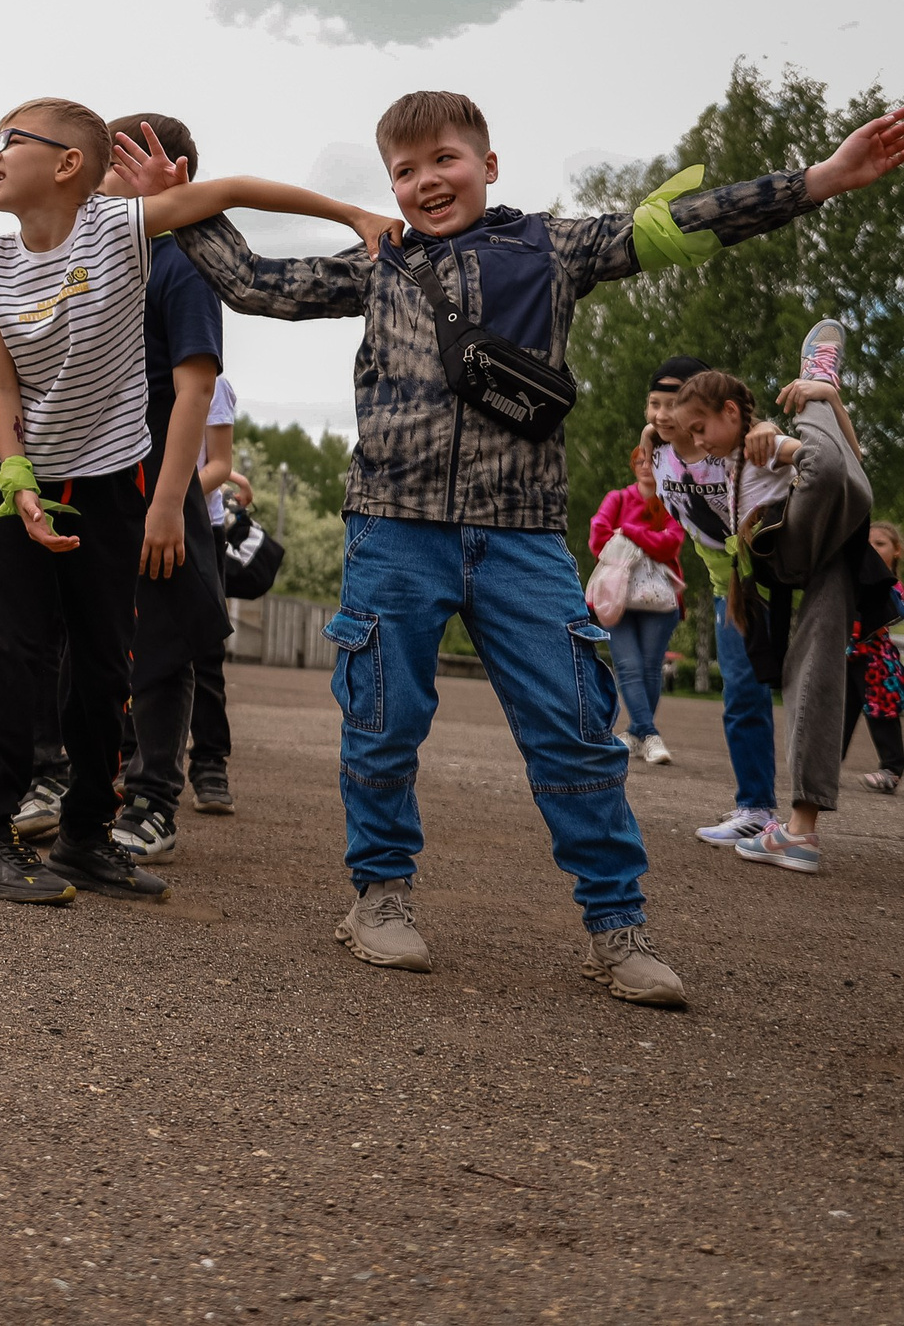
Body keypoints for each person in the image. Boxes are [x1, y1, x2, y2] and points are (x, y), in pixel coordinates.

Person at [168, 89, 904, 1003]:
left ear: (489, 163)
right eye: (404, 170)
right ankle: (380, 897)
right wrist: (183, 194)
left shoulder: (554, 246)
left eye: (445, 158)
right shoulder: (381, 266)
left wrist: (822, 179)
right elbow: (252, 283)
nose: (426, 181)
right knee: (383, 720)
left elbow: (676, 223)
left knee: (578, 731)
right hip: (394, 528)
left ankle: (615, 923)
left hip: (521, 537)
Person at [0, 101, 391, 906]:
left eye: (10, 141)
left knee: (104, 660)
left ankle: (86, 836)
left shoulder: (120, 231)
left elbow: (234, 190)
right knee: (10, 653)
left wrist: (352, 212)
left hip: (113, 477)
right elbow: (1, 385)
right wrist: (16, 480)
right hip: (17, 482)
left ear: (69, 165)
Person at [672, 346, 885, 878]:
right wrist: (806, 417)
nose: (696, 441)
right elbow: (838, 471)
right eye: (690, 433)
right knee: (829, 462)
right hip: (789, 553)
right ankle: (820, 383)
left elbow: (849, 472)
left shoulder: (755, 443)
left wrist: (796, 424)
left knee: (815, 678)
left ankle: (800, 831)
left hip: (820, 550)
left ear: (729, 412)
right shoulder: (733, 451)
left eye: (702, 428)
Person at [104, 113, 234, 867]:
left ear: (168, 168)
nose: (97, 180)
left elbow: (194, 389)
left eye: (114, 164)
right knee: (95, 632)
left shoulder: (181, 261)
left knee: (163, 636)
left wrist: (165, 502)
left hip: (158, 463)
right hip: (94, 459)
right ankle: (86, 777)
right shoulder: (96, 254)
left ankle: (154, 795)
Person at [649, 354, 783, 844]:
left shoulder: (730, 445)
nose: (662, 415)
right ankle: (755, 807)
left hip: (781, 578)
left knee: (819, 686)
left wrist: (765, 424)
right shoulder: (657, 451)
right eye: (654, 404)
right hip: (732, 589)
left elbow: (757, 435)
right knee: (742, 693)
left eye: (672, 404)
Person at [588, 429, 686, 764]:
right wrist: (649, 539)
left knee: (649, 668)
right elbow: (597, 537)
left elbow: (671, 543)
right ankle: (650, 735)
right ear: (634, 465)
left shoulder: (672, 500)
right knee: (628, 667)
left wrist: (628, 531)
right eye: (640, 460)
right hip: (618, 598)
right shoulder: (617, 498)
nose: (645, 465)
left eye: (652, 460)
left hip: (660, 600)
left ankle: (634, 733)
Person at [187, 374, 245, 812]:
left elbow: (218, 464)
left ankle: (209, 765)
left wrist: (168, 500)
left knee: (205, 655)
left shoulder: (213, 383)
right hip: (140, 522)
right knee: (131, 649)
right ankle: (127, 758)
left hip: (199, 529)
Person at [853, 521, 904, 794]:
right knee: (837, 715)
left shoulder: (893, 587)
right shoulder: (852, 580)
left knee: (882, 714)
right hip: (847, 657)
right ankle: (821, 767)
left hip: (876, 661)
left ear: (897, 551)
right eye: (868, 543)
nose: (872, 549)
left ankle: (892, 769)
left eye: (880, 544)